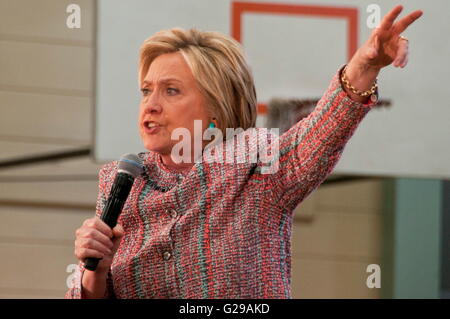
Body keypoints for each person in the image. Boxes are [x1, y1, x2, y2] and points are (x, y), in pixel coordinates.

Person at [66, 5, 422, 298]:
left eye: (171, 91)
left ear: (216, 108)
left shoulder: (254, 166)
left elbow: (318, 137)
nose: (151, 105)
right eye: (146, 91)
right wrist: (95, 272)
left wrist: (364, 66)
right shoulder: (122, 184)